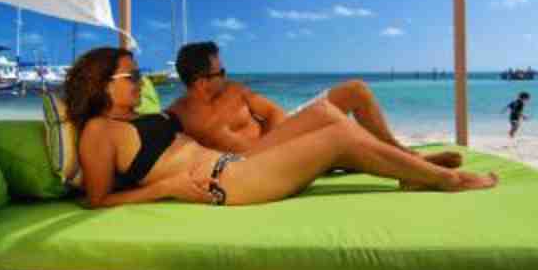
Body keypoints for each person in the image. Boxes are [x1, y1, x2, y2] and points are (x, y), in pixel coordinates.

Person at [64, 47, 498, 209]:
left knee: (329, 114)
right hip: (224, 183)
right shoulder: (100, 131)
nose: (140, 81)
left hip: (233, 164)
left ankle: (408, 168)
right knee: (339, 136)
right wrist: (167, 188)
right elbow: (97, 200)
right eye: (132, 76)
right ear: (103, 84)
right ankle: (445, 180)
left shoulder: (139, 116)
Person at [167, 41, 462, 169]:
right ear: (201, 82)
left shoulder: (233, 90)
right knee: (340, 135)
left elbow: (272, 112)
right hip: (262, 162)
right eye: (220, 71)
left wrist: (290, 132)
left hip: (286, 133)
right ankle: (410, 167)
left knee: (356, 90)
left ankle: (406, 155)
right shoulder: (180, 116)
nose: (226, 74)